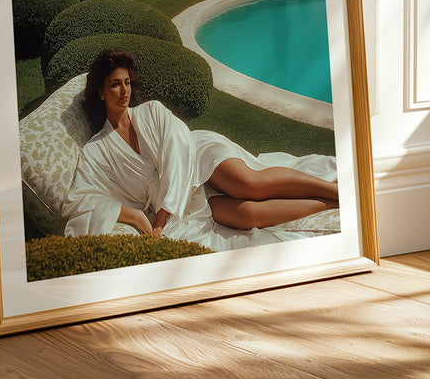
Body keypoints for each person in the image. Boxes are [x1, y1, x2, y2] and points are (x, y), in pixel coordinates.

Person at [63, 48, 338, 242]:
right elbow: (80, 201)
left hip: (197, 158)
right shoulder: (96, 151)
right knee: (248, 215)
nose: (124, 91)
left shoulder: (152, 111)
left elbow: (176, 154)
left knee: (250, 185)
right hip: (179, 200)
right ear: (100, 92)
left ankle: (337, 191)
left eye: (126, 83)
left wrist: (159, 222)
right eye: (114, 85)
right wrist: (134, 216)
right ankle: (329, 204)